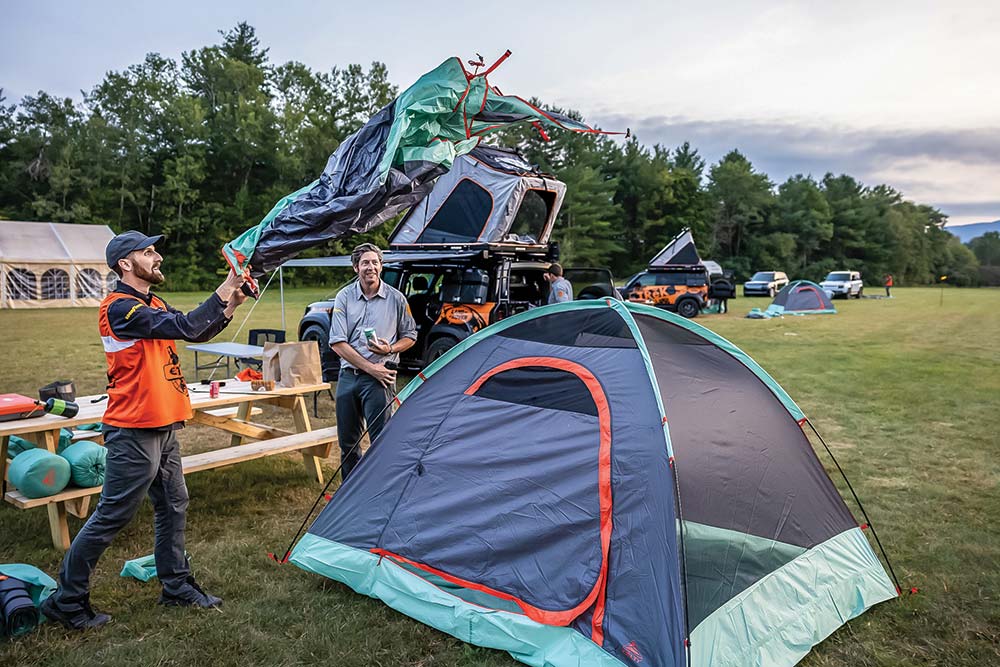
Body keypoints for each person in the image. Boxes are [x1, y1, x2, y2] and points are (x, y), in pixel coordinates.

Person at [41, 231, 248, 631]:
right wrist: (226, 285)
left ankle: (176, 586)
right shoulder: (119, 308)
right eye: (148, 252)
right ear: (125, 264)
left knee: (173, 505)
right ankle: (67, 600)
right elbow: (188, 326)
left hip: (163, 421)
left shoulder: (151, 302)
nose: (159, 258)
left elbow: (195, 331)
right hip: (134, 427)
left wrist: (231, 302)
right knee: (113, 514)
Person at [329, 243, 417, 480]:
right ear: (356, 267)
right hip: (349, 379)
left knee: (381, 443)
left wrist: (391, 348)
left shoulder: (396, 299)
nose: (370, 267)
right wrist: (371, 368)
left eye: (375, 262)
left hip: (381, 381)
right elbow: (337, 342)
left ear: (381, 266)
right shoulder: (344, 297)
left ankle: (380, 492)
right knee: (348, 444)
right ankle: (349, 495)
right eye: (365, 262)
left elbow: (410, 336)